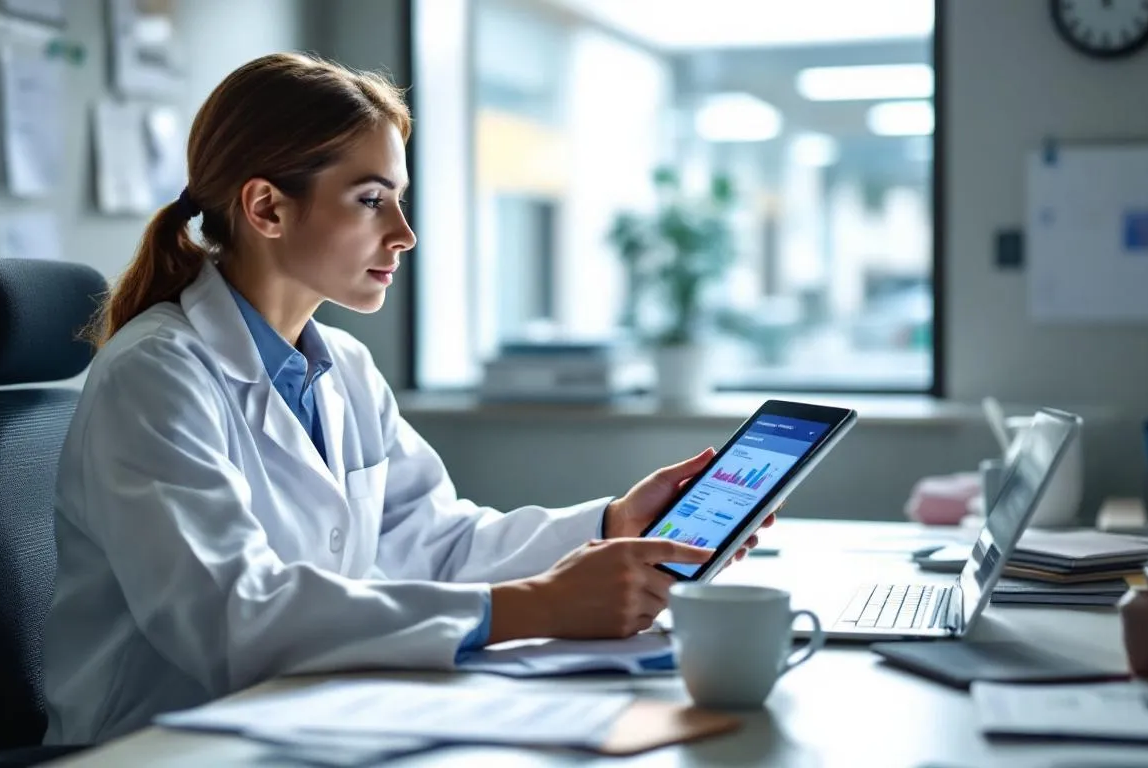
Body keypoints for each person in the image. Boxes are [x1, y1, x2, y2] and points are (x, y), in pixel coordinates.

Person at [42, 52, 771, 745]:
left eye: (400, 200)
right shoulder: (156, 375)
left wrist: (611, 523)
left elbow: (437, 544)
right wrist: (534, 606)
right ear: (266, 208)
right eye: (371, 201)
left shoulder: (345, 367)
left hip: (315, 717)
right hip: (164, 743)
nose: (405, 234)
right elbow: (234, 617)